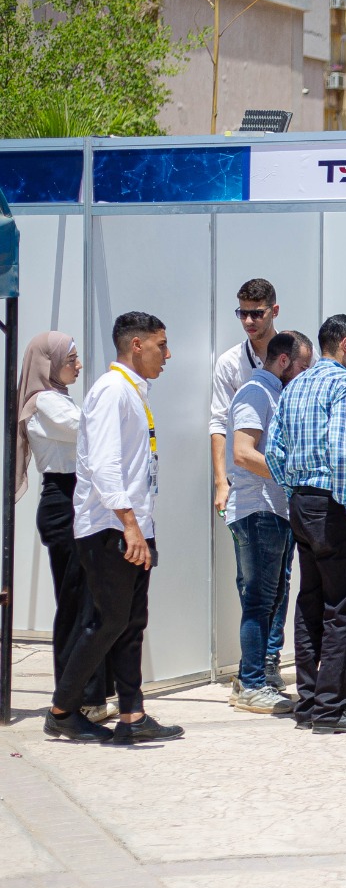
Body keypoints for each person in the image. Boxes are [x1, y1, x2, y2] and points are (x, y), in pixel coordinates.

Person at [44, 312, 183, 745]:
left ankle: (131, 715)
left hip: (131, 525)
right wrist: (130, 526)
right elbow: (105, 467)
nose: (167, 354)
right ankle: (62, 711)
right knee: (108, 621)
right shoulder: (111, 391)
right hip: (110, 528)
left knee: (131, 623)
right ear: (137, 345)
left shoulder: (132, 392)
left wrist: (140, 526)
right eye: (161, 345)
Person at [265, 315, 346, 735]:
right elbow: (342, 447)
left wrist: (293, 488)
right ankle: (331, 709)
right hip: (334, 504)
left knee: (310, 601)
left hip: (302, 503)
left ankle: (310, 702)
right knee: (344, 607)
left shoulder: (295, 384)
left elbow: (273, 450)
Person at [18, 332, 113, 722]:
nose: (78, 364)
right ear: (49, 363)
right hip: (65, 503)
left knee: (90, 599)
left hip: (77, 501)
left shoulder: (58, 398)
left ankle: (89, 695)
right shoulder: (44, 402)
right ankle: (76, 700)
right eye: (70, 359)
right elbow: (86, 427)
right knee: (76, 603)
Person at [225, 330, 313, 714]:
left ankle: (254, 675)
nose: (305, 375)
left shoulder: (273, 392)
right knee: (259, 601)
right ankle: (251, 684)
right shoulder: (255, 392)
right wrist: (291, 475)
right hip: (257, 510)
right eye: (303, 367)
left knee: (270, 599)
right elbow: (243, 453)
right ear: (284, 361)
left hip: (272, 511)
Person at [210, 277, 289, 686]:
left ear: (274, 310)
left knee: (281, 581)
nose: (248, 321)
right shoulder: (230, 363)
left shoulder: (293, 354)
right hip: (249, 490)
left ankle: (267, 660)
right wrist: (220, 482)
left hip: (284, 496)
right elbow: (217, 424)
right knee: (253, 584)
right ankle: (254, 670)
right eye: (242, 313)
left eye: (256, 313)